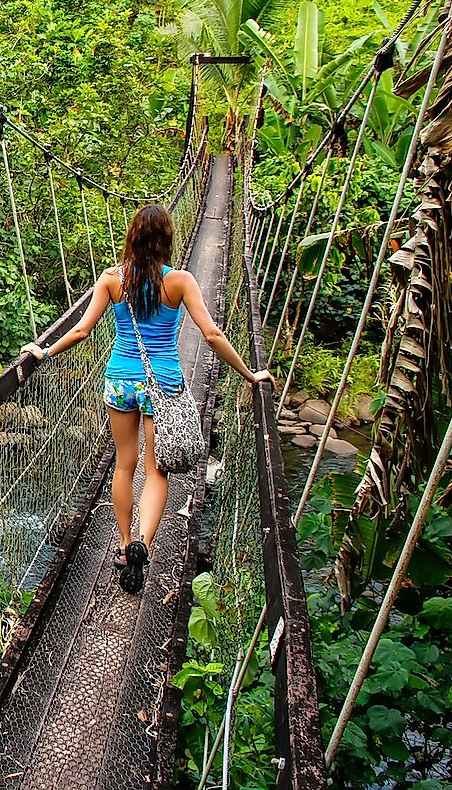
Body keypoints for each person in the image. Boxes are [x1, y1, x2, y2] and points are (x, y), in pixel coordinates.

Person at [23, 204, 271, 594]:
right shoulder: (181, 281)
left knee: (125, 465)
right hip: (165, 384)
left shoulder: (111, 279)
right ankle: (144, 544)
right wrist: (250, 374)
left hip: (121, 381)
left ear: (132, 238)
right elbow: (212, 336)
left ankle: (123, 545)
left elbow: (83, 331)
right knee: (156, 472)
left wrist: (44, 350)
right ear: (168, 240)